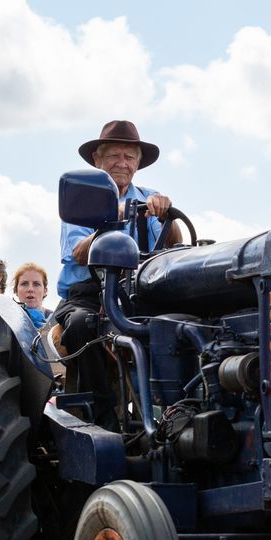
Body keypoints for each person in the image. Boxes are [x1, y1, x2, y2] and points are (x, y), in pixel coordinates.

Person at [55, 120, 180, 428]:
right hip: (89, 291)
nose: (121, 163)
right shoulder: (85, 198)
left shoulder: (151, 198)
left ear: (138, 163)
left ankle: (174, 414)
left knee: (181, 325)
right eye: (114, 155)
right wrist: (115, 217)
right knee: (82, 326)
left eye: (129, 156)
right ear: (98, 159)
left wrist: (167, 215)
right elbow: (78, 253)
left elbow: (175, 245)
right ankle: (102, 417)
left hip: (141, 292)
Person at [12, 262, 51, 328]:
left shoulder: (57, 321)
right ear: (16, 290)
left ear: (45, 291)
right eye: (24, 284)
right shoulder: (6, 320)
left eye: (36, 284)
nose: (30, 289)